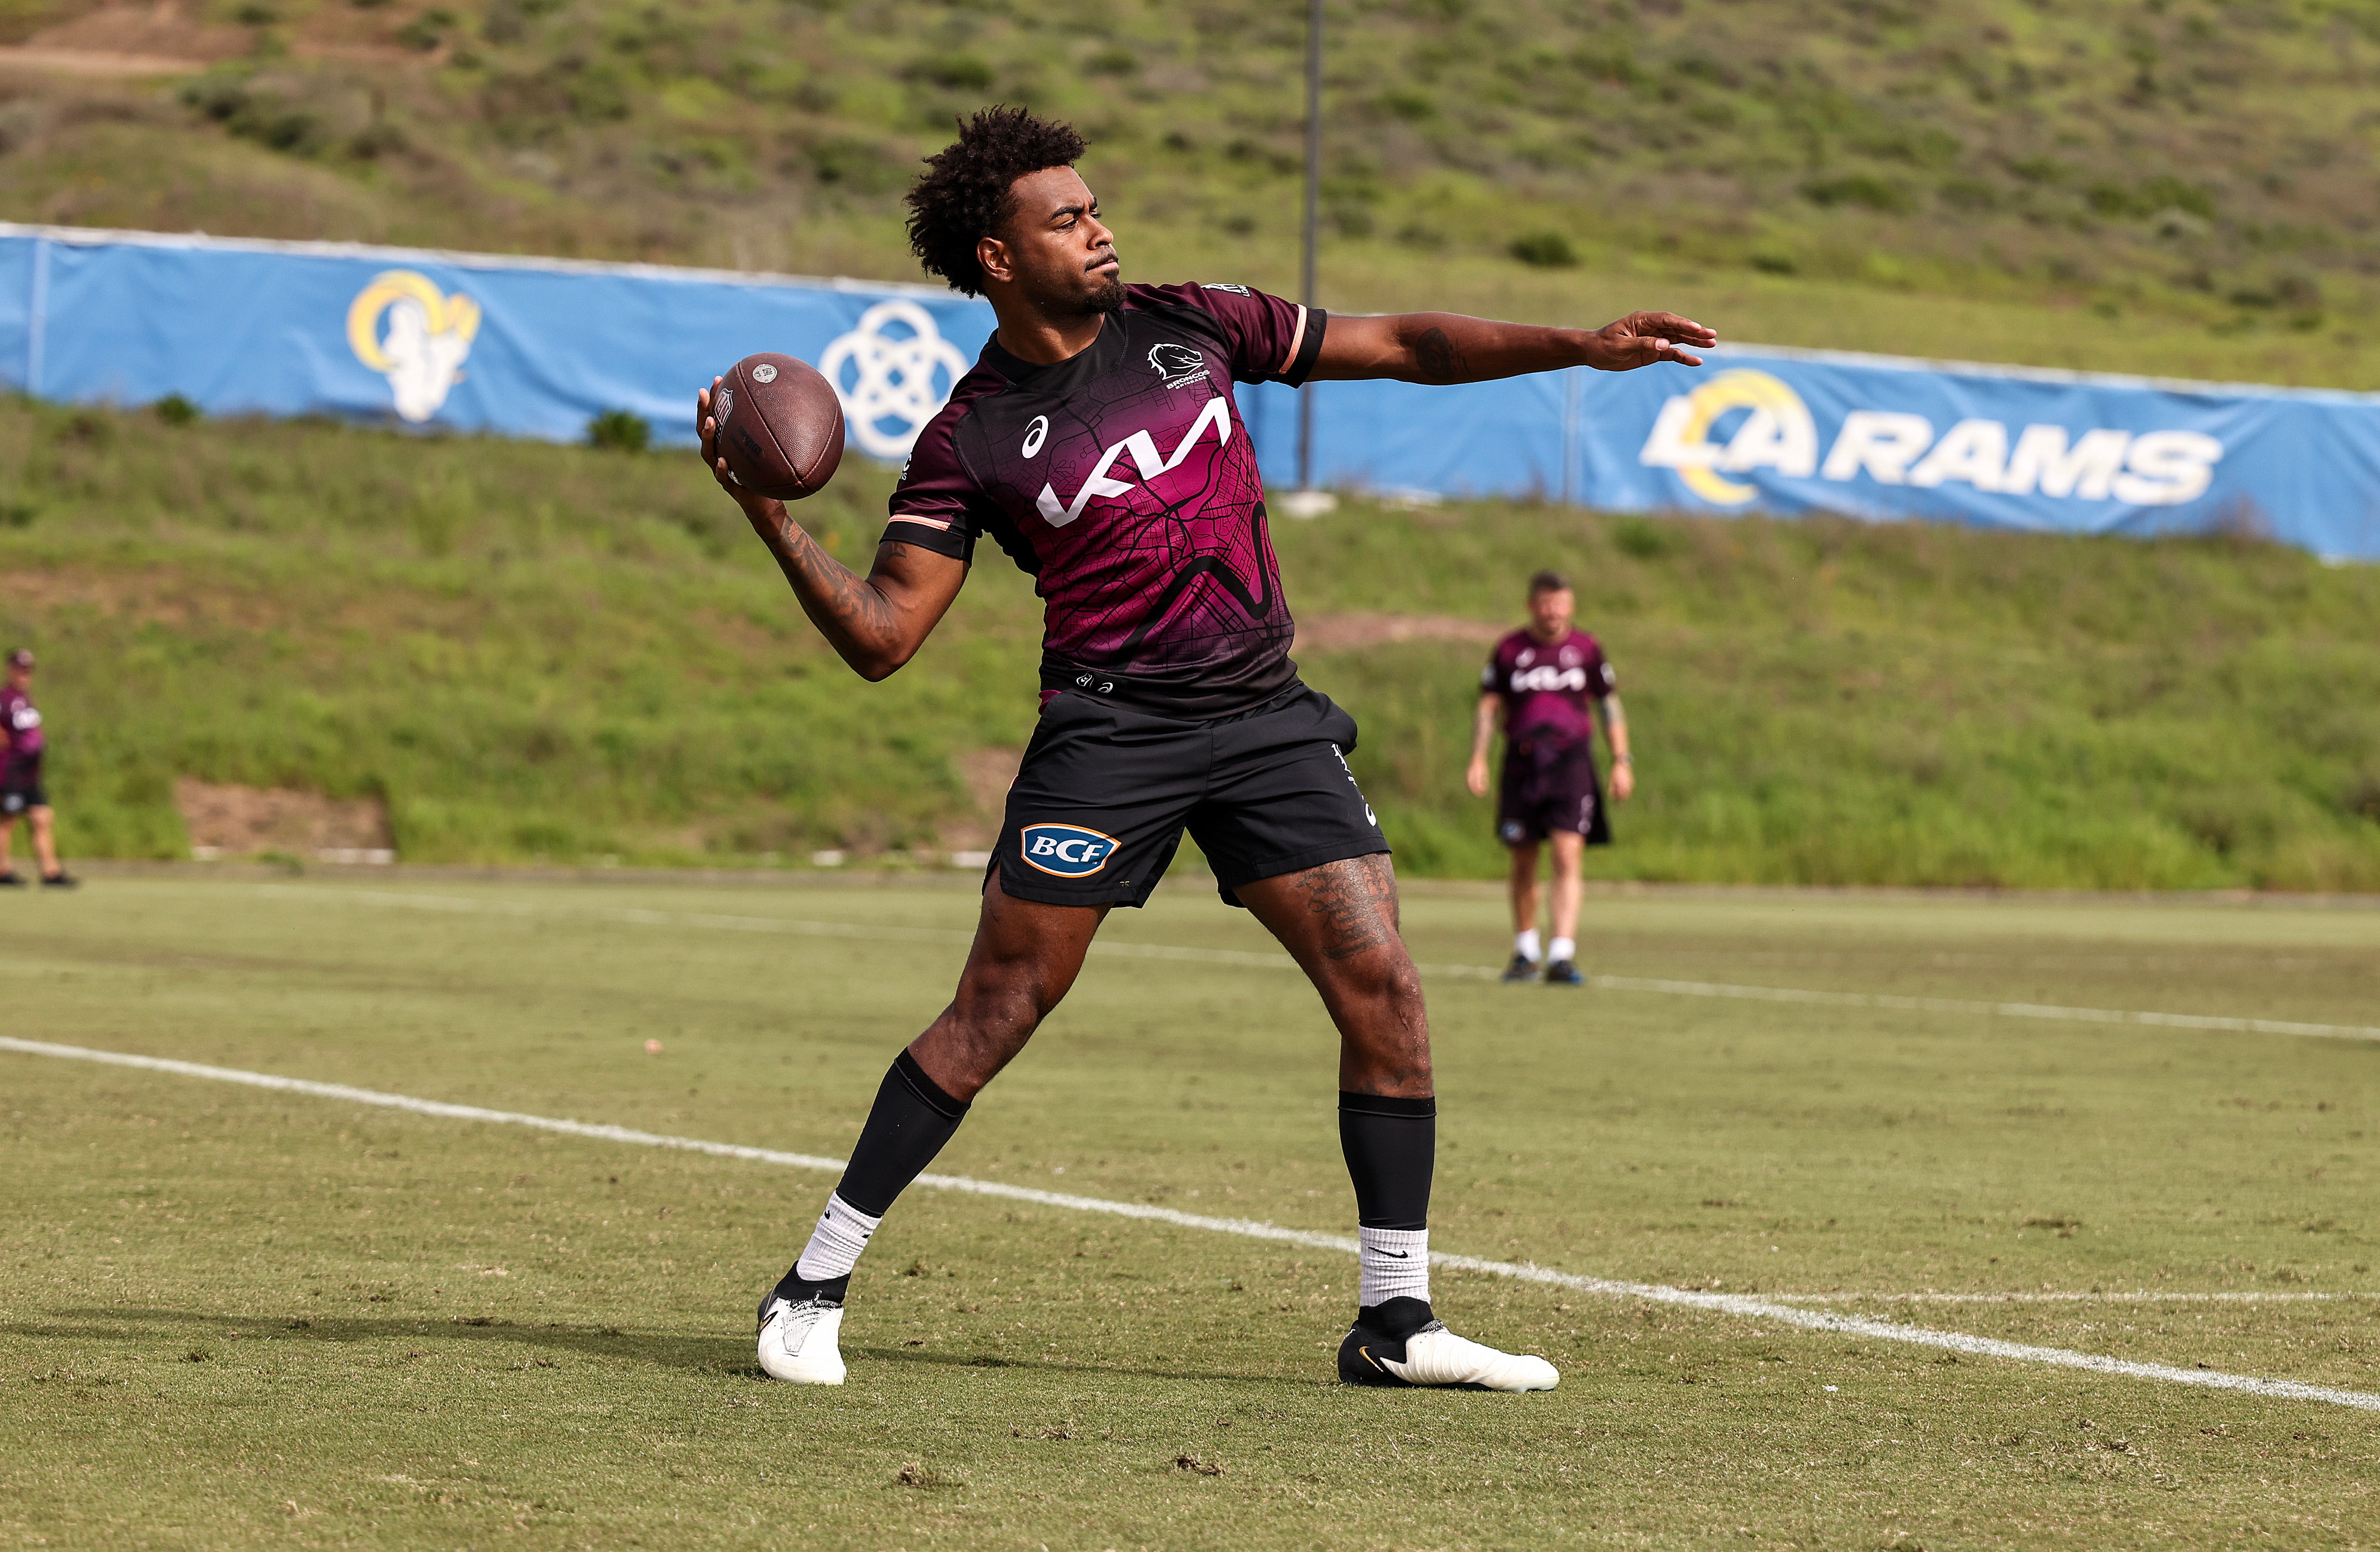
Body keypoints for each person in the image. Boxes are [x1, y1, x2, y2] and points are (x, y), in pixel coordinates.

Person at [696, 106, 1714, 1392]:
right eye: (1066, 217)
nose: (1098, 226)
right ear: (998, 258)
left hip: (1263, 715)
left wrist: (1580, 345)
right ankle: (812, 1282)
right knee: (998, 1008)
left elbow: (1402, 342)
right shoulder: (971, 438)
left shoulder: (1191, 321)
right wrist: (770, 518)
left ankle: (1394, 1320)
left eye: (1094, 205)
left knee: (1386, 986)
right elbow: (887, 634)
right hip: (1110, 733)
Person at [1466, 571, 1631, 985]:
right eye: (1545, 602)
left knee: (1567, 852)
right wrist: (1479, 757)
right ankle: (1525, 950)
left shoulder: (1587, 649)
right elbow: (1489, 706)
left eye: (1560, 602)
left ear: (1571, 605)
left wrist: (1621, 759)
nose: (1553, 611)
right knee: (1523, 856)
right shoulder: (1509, 649)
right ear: (1531, 605)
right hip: (1522, 762)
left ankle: (1562, 953)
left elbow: (1609, 704)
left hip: (1572, 762)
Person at [0, 649, 75, 890]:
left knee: (42, 818)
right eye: (20, 670)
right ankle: (2, 871)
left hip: (30, 774)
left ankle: (51, 872)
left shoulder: (26, 699)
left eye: (28, 671)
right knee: (7, 819)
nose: (24, 676)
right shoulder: (1, 698)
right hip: (9, 771)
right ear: (10, 670)